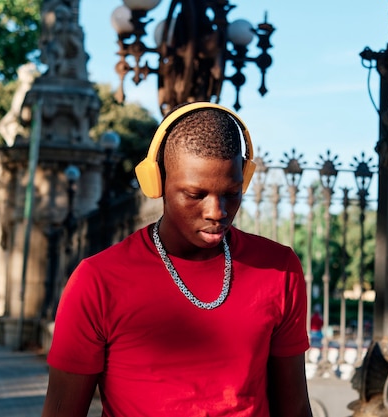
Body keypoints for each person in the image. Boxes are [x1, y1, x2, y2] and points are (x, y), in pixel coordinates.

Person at [42, 102, 313, 417]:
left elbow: (294, 408)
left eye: (231, 193)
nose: (217, 213)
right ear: (157, 182)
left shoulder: (279, 269)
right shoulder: (98, 280)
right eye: (196, 195)